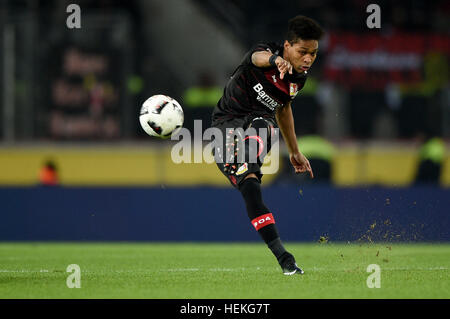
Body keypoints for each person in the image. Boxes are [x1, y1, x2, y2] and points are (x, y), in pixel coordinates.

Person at [210, 15, 324, 275]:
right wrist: (275, 60)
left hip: (258, 126)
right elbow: (256, 58)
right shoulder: (265, 52)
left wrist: (294, 151)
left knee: (264, 128)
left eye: (314, 54)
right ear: (287, 46)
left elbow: (284, 108)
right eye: (302, 52)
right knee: (249, 188)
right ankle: (284, 257)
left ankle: (286, 261)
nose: (308, 59)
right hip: (225, 125)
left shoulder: (298, 79)